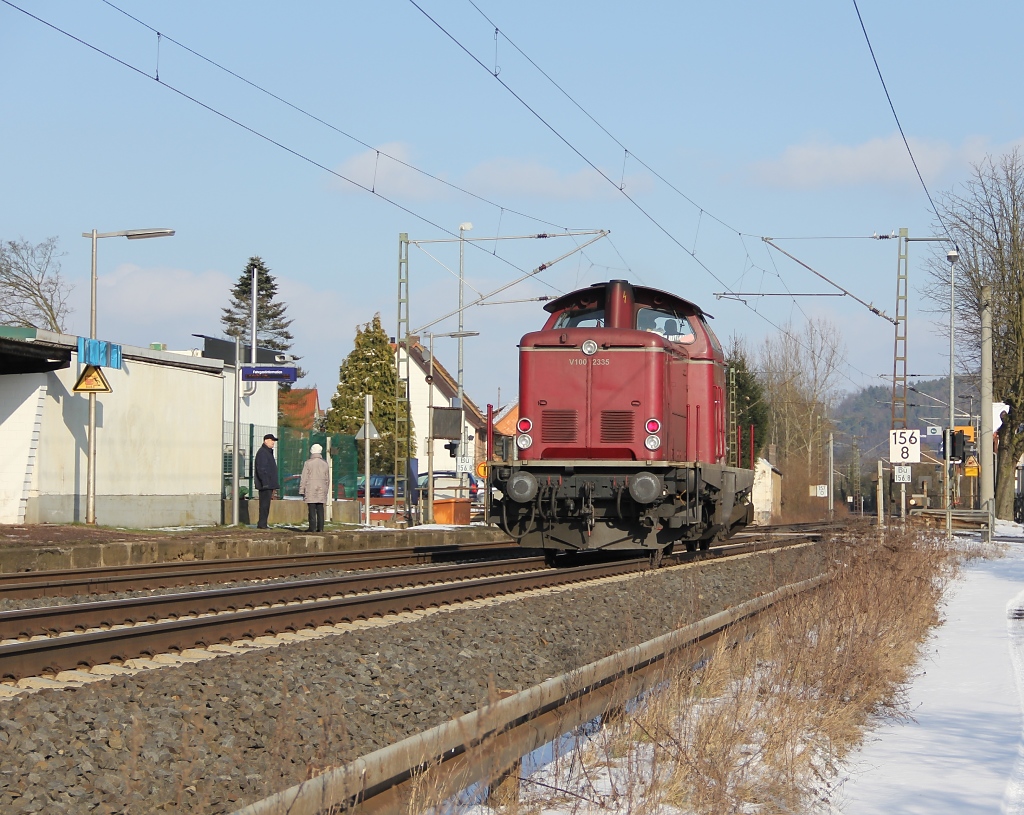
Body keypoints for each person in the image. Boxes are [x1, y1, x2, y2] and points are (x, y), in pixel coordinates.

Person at [299, 443, 330, 533]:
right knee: (320, 508)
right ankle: (320, 528)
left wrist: (302, 489)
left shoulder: (308, 463)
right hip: (322, 488)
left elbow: (304, 477)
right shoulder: (325, 463)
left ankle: (312, 527)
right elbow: (327, 479)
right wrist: (326, 489)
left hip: (310, 488)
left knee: (311, 508)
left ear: (312, 451)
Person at [253, 433, 280, 529]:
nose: (273, 442)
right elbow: (261, 469)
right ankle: (262, 524)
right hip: (265, 484)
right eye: (271, 440)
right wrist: (265, 482)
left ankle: (263, 523)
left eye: (274, 441)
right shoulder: (263, 453)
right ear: (266, 441)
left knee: (266, 505)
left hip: (268, 484)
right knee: (264, 505)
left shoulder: (267, 452)